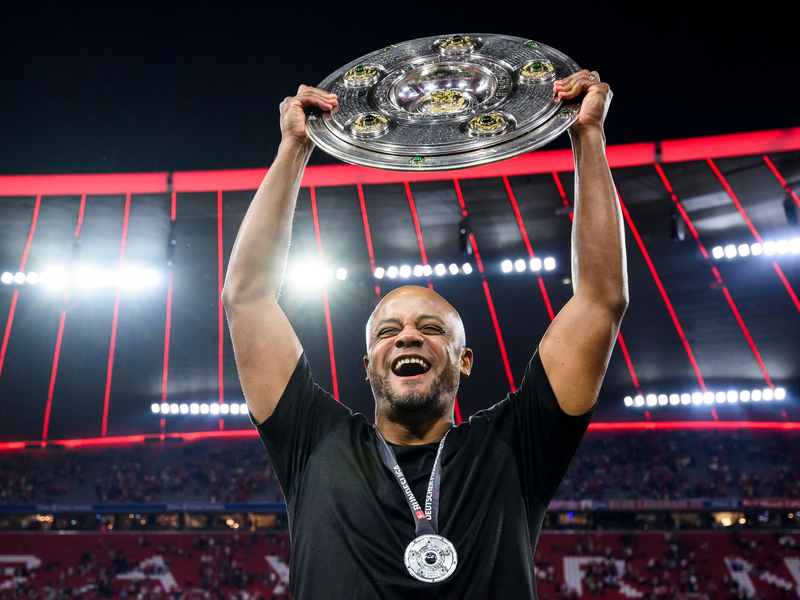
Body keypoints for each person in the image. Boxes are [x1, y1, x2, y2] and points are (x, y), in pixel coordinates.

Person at [222, 69, 627, 599]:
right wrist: (294, 148)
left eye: (431, 329)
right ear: (367, 363)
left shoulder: (515, 444)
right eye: (387, 331)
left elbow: (601, 301)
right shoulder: (314, 440)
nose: (408, 336)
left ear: (464, 360)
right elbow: (245, 299)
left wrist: (588, 135)